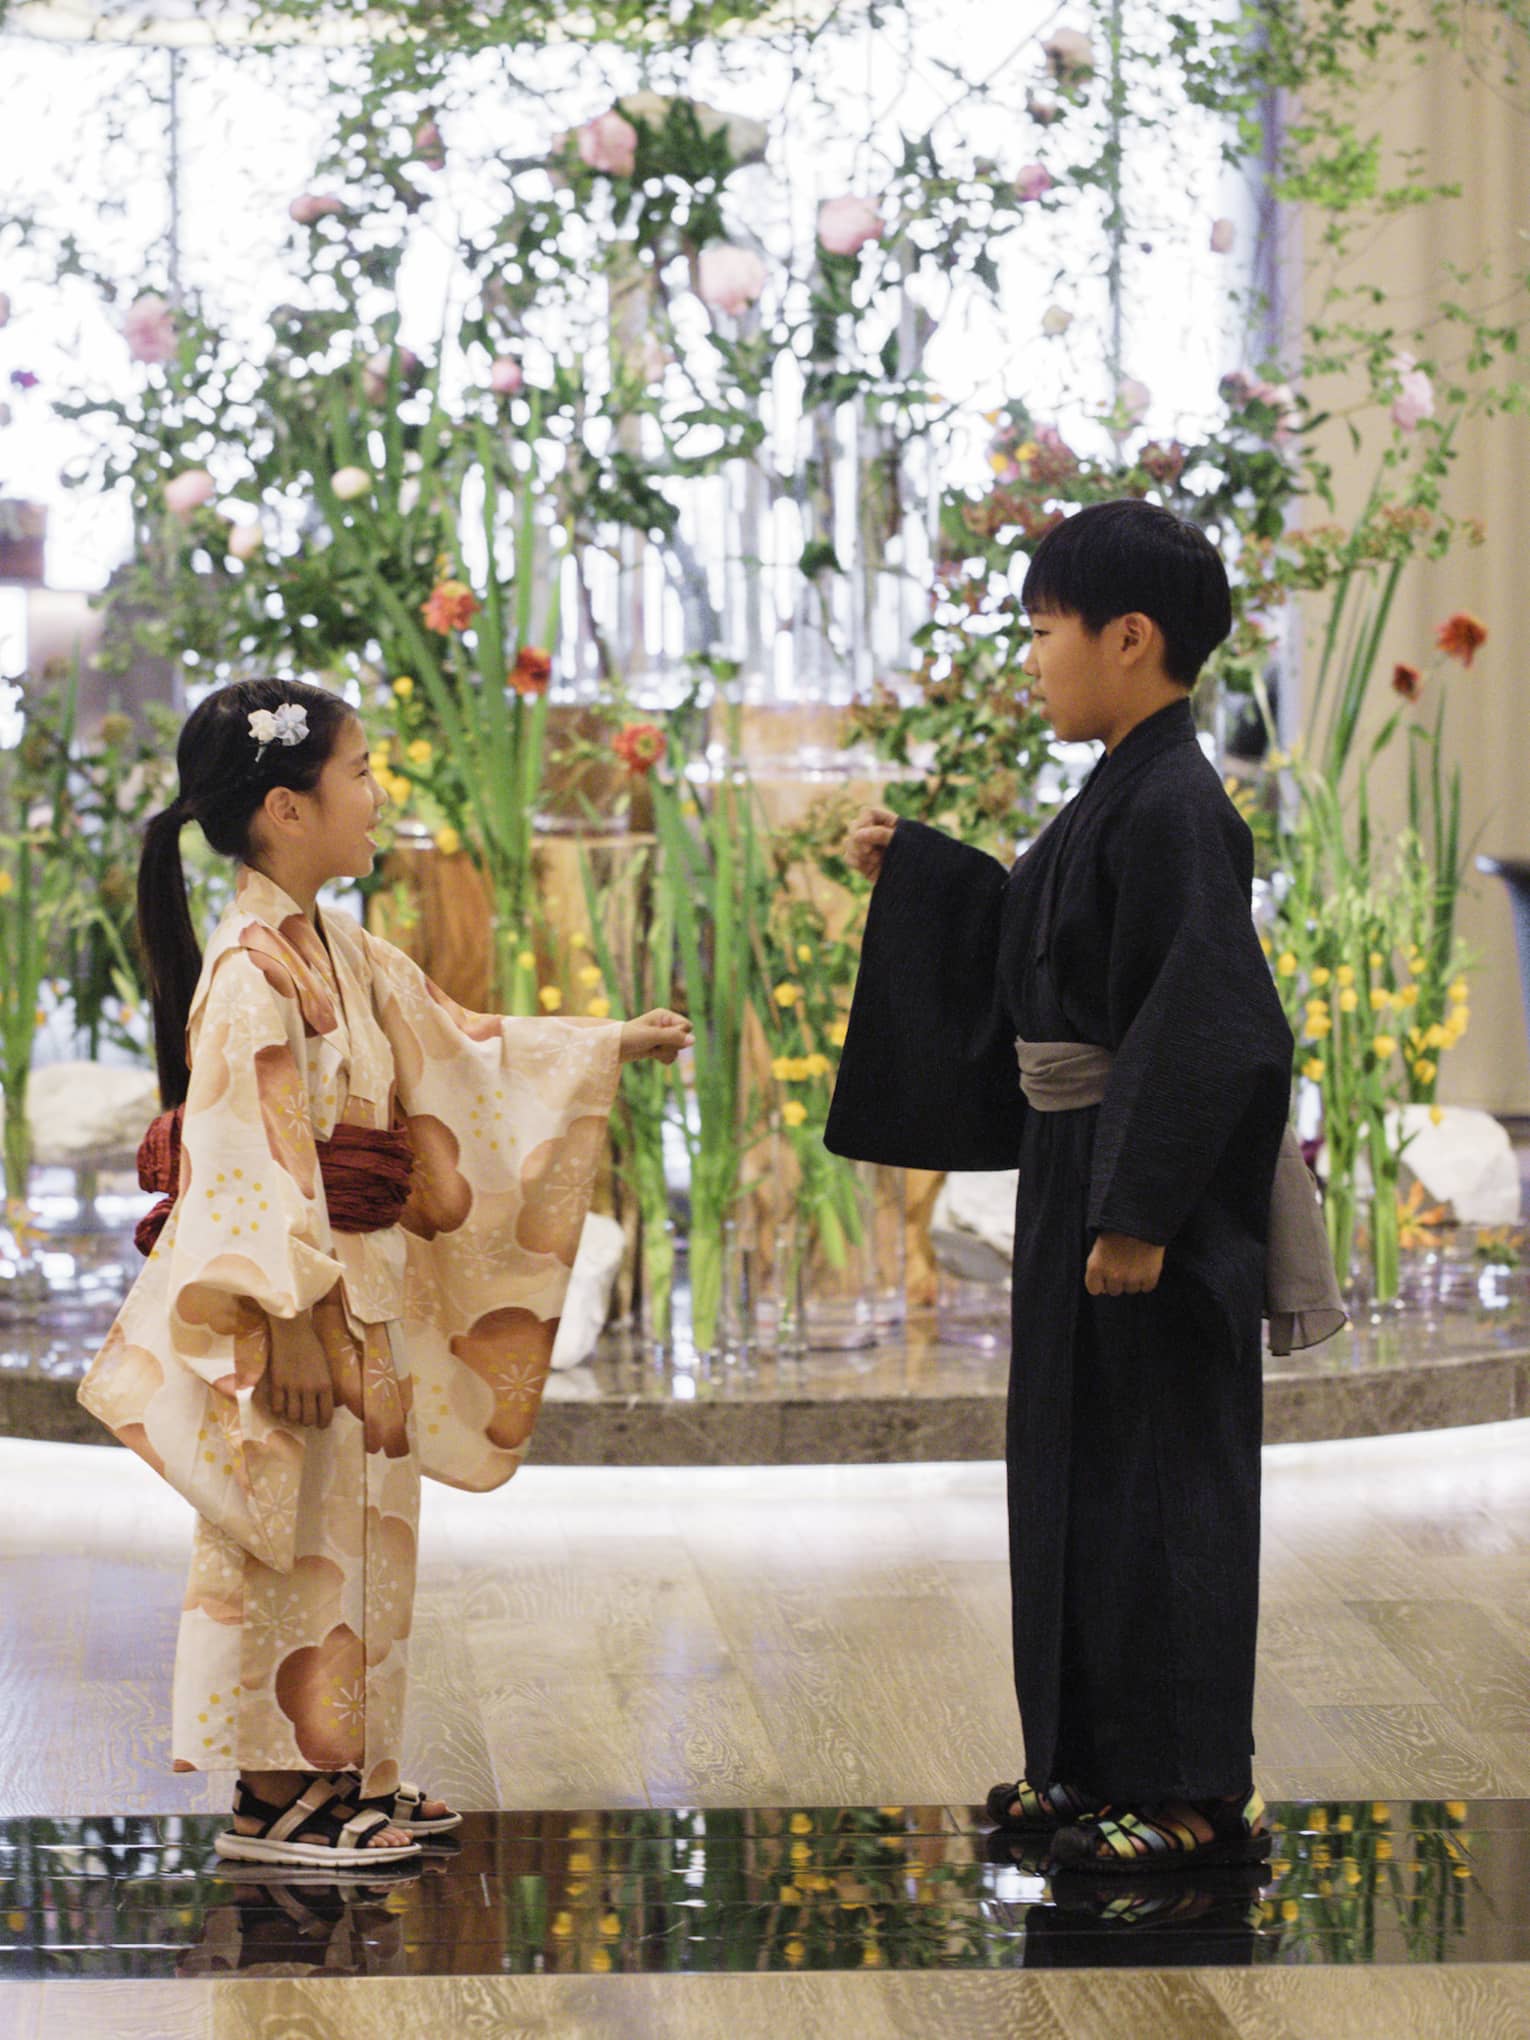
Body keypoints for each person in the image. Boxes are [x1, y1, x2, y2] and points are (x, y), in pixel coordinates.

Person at [80, 678, 692, 1871]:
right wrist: (298, 1327)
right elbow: (247, 1165)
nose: (377, 796)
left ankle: (346, 1766)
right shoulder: (253, 972)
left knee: (356, 1538)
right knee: (284, 1539)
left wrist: (601, 1046)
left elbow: (454, 1044)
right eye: (359, 773)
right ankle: (273, 1793)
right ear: (286, 809)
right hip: (298, 1309)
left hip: (360, 1301)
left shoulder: (334, 948)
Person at [827, 499, 1333, 1874]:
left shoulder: (1175, 800)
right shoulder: (1125, 783)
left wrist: (1139, 1213)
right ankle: (1082, 1766)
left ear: (1129, 637)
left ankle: (1177, 1791)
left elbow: (1207, 1019)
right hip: (1084, 1172)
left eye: (1045, 633)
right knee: (1073, 1474)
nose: (1034, 660)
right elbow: (1053, 940)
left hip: (1141, 1198)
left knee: (1157, 1481)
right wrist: (925, 873)